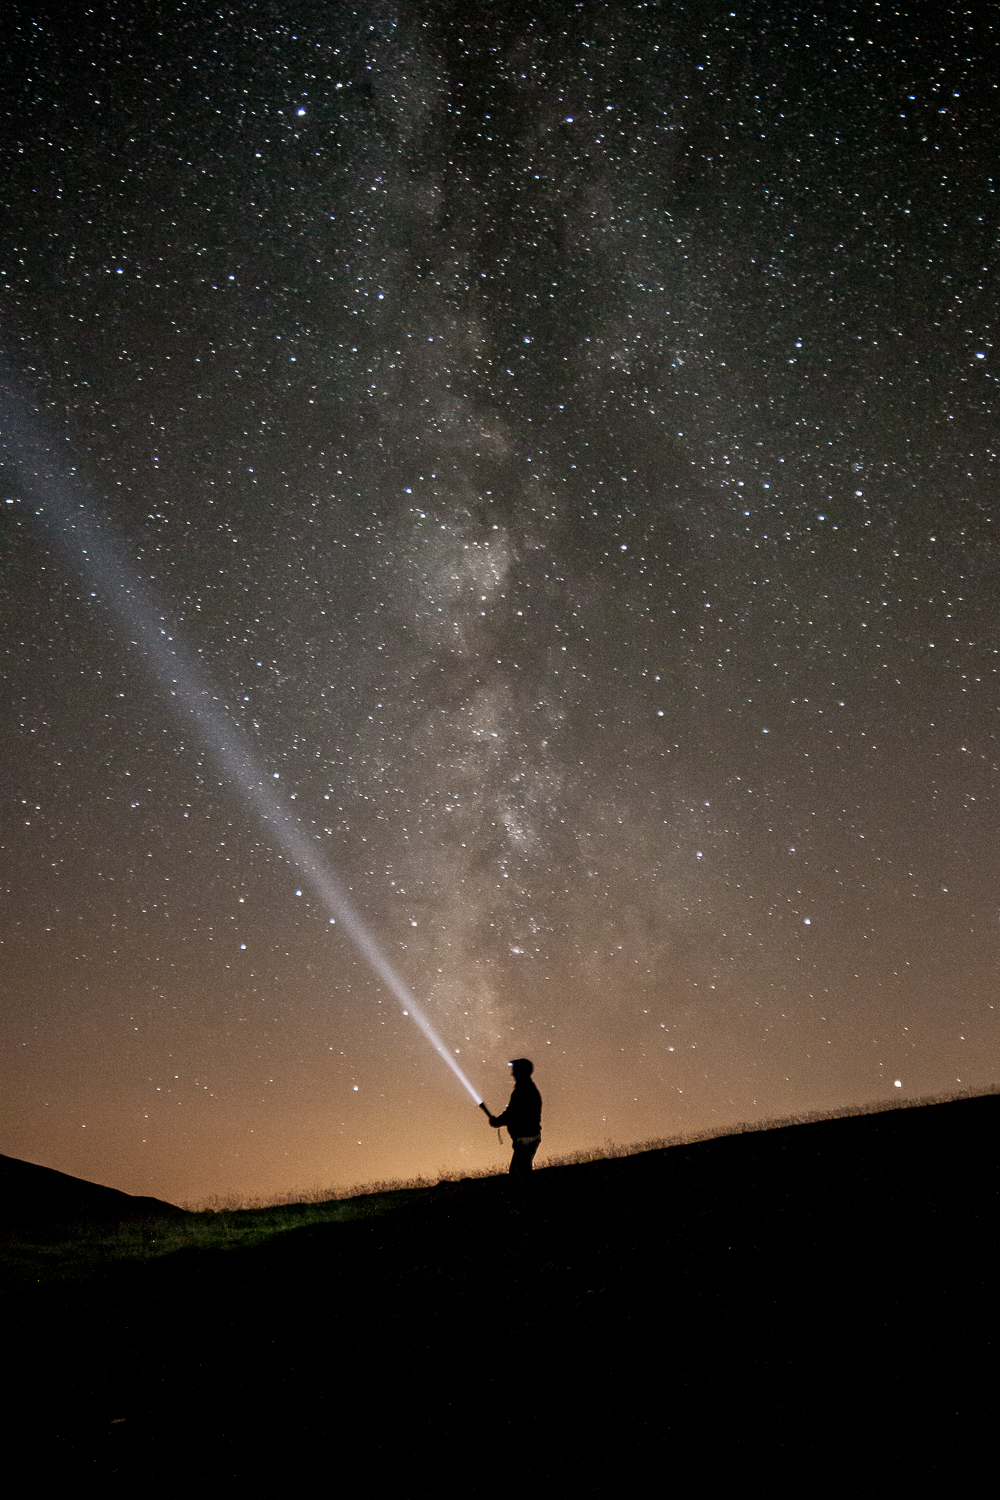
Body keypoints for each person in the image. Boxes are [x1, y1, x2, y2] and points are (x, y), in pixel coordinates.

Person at [486, 1058, 542, 1176]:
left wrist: (497, 1122)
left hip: (525, 1138)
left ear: (521, 1071)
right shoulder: (528, 1089)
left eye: (515, 1070)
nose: (512, 1074)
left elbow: (513, 1113)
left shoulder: (522, 1091)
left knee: (518, 1173)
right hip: (529, 1136)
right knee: (521, 1172)